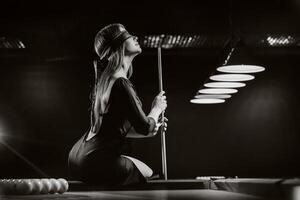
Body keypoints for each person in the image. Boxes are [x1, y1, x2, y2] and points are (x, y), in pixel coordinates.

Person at [68, 23, 167, 186]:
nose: (135, 37)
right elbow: (144, 127)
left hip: (77, 159)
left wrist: (152, 127)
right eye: (128, 35)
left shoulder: (104, 82)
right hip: (97, 162)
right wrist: (156, 108)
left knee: (138, 167)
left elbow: (111, 130)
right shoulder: (121, 83)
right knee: (148, 172)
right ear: (118, 44)